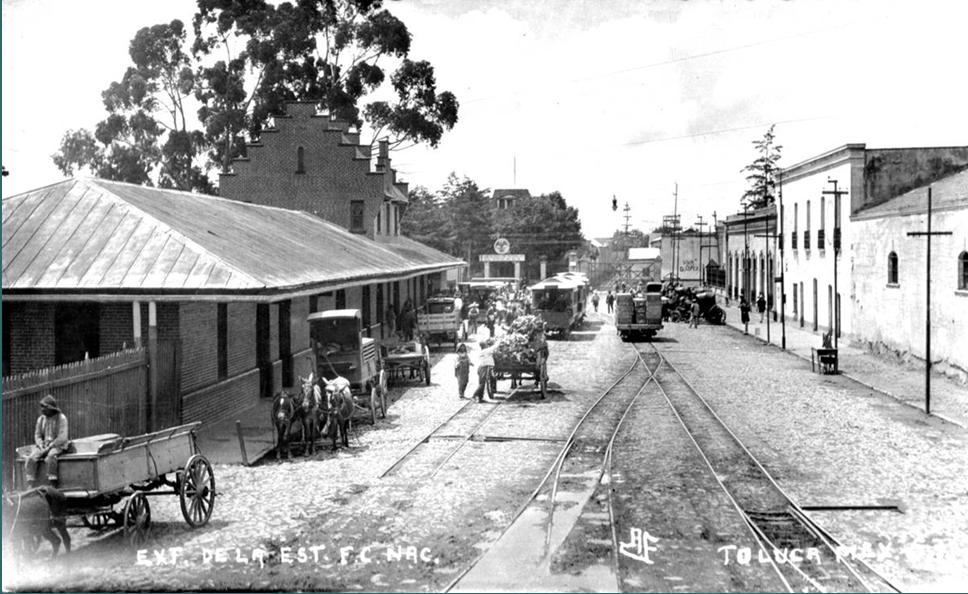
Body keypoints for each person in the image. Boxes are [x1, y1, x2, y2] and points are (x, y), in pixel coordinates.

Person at [25, 395, 70, 486]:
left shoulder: (61, 418)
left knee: (51, 457)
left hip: (58, 445)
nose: (42, 409)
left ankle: (52, 482)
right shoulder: (41, 419)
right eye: (41, 407)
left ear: (51, 408)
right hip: (44, 445)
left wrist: (50, 446)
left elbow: (62, 437)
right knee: (31, 458)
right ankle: (31, 483)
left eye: (44, 407)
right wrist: (40, 444)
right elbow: (37, 434)